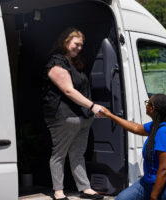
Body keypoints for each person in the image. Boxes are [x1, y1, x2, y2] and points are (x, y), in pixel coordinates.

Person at [42, 27, 104, 200]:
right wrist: (92, 106)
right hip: (63, 116)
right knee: (59, 154)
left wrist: (88, 111)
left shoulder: (75, 64)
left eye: (81, 45)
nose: (79, 48)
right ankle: (58, 192)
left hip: (82, 117)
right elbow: (68, 91)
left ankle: (85, 188)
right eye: (76, 44)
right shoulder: (56, 63)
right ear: (66, 41)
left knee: (78, 154)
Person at [100, 94, 166, 200]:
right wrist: (110, 115)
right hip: (148, 181)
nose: (146, 105)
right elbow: (136, 128)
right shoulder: (155, 125)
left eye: (147, 103)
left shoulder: (163, 132)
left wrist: (154, 196)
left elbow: (164, 169)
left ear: (152, 108)